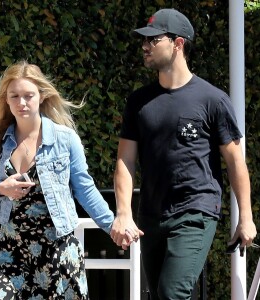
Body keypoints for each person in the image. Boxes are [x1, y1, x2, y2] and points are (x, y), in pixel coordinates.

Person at [110, 8, 257, 300]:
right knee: (163, 295)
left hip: (196, 210)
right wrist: (124, 213)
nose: (145, 46)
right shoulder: (139, 102)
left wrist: (246, 217)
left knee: (171, 293)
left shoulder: (212, 100)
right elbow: (125, 161)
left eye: (153, 40)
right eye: (144, 41)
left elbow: (235, 162)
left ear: (178, 44)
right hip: (151, 214)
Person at [0, 60, 114, 300]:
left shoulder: (65, 139)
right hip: (8, 249)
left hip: (56, 249)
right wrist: (1, 188)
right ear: (6, 99)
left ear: (41, 96)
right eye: (15, 96)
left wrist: (112, 226)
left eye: (28, 95)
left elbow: (84, 188)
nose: (22, 102)